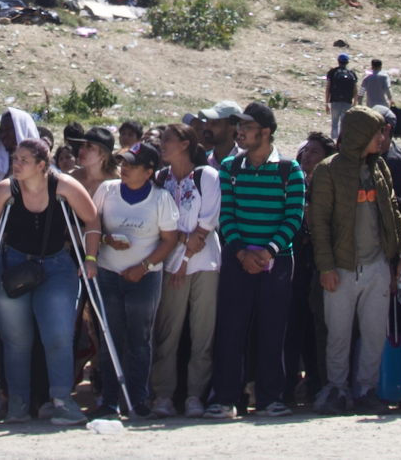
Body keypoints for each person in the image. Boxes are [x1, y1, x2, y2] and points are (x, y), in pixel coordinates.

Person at [0, 137, 102, 425]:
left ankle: (61, 401)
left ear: (42, 165)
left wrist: (90, 258)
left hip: (57, 265)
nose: (15, 164)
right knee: (16, 340)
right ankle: (18, 403)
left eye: (23, 160)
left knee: (58, 335)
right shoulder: (5, 189)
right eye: (14, 158)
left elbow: (91, 221)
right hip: (14, 265)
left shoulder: (65, 186)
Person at [307, 107, 401, 414]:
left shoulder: (380, 169)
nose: (383, 138)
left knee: (375, 333)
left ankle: (366, 389)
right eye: (377, 132)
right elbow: (319, 223)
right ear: (359, 134)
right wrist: (325, 267)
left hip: (378, 266)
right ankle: (336, 389)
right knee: (338, 335)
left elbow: (393, 216)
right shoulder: (328, 170)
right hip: (340, 267)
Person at [207, 102, 306, 419]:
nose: (240, 132)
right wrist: (241, 253)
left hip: (277, 262)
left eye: (247, 127)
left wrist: (268, 252)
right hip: (238, 261)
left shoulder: (290, 170)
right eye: (240, 127)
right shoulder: (230, 168)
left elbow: (294, 218)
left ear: (265, 132)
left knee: (272, 331)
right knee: (230, 331)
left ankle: (270, 399)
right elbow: (227, 216)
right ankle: (225, 399)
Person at [93, 143, 179, 418]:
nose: (125, 168)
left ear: (149, 171)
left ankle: (138, 401)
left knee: (140, 340)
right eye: (123, 163)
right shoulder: (106, 191)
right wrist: (106, 240)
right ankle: (108, 400)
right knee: (110, 339)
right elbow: (93, 226)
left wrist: (143, 267)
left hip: (145, 278)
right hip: (107, 274)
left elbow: (170, 240)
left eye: (132, 164)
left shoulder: (161, 198)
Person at [150, 122, 220, 417]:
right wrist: (179, 247)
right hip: (169, 264)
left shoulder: (208, 176)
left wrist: (187, 258)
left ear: (185, 144)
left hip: (204, 264)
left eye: (167, 140)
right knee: (167, 332)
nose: (162, 145)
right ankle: (164, 395)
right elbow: (158, 221)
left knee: (202, 333)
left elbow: (207, 222)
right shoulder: (159, 178)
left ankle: (195, 395)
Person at [284, 133, 333, 406]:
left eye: (315, 152)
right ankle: (288, 389)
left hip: (323, 267)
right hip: (296, 267)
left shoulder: (331, 186)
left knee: (318, 331)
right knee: (292, 330)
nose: (307, 156)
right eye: (305, 151)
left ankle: (319, 385)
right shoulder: (292, 183)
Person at [70, 125, 118, 197]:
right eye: (82, 145)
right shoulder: (71, 178)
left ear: (103, 156)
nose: (82, 150)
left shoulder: (115, 183)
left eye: (89, 146)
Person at [193, 102, 244, 167]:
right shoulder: (202, 161)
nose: (207, 126)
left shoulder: (244, 163)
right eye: (207, 121)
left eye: (214, 123)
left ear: (231, 129)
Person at [324, 54, 359, 141]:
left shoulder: (332, 72)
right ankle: (342, 143)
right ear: (347, 62)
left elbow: (328, 88)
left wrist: (326, 103)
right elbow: (355, 90)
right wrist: (354, 103)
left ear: (338, 61)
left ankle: (334, 142)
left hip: (335, 101)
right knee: (344, 125)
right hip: (348, 102)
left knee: (335, 124)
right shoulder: (352, 73)